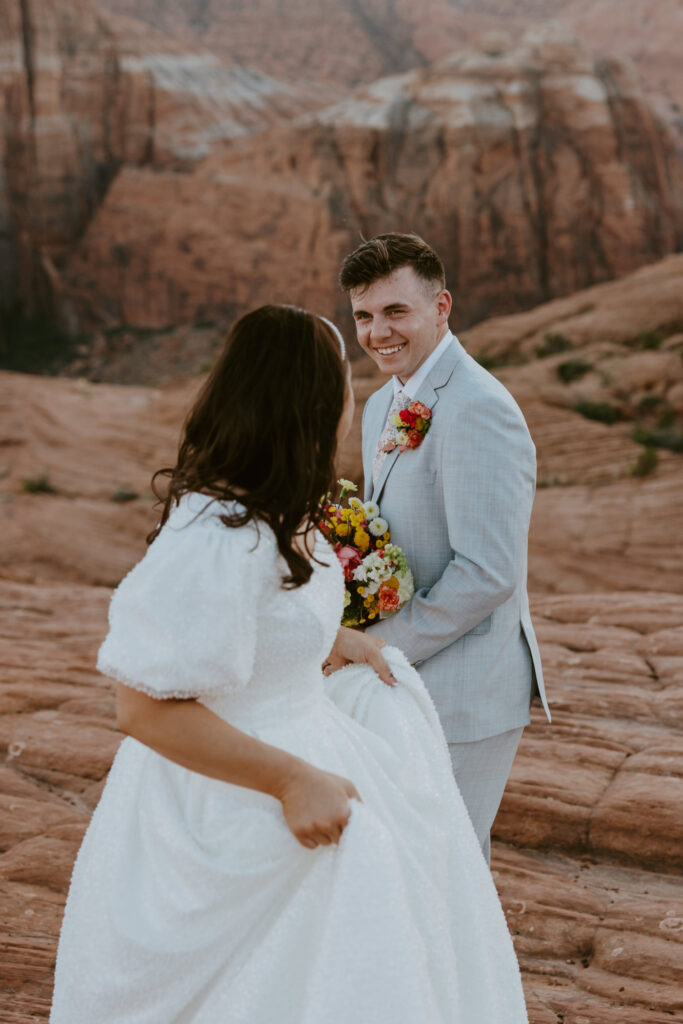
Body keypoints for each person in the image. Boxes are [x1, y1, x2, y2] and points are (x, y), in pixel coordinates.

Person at [50, 305, 528, 1023]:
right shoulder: (215, 537)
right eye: (339, 384)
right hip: (227, 801)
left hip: (309, 743)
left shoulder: (272, 511)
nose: (348, 401)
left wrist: (326, 638)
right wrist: (291, 780)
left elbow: (257, 616)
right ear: (306, 404)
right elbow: (142, 708)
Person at [337, 233, 551, 864]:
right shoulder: (382, 405)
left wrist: (378, 646)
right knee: (400, 866)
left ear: (441, 307)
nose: (378, 332)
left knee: (445, 868)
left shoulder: (479, 408)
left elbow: (488, 573)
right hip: (405, 679)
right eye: (364, 316)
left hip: (465, 687)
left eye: (396, 312)